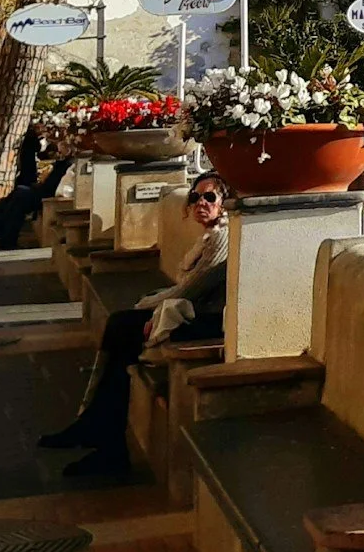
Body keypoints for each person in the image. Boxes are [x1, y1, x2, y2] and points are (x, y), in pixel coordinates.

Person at [39, 175, 231, 479]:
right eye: (195, 198)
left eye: (210, 198)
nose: (200, 205)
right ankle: (97, 429)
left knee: (123, 326)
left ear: (226, 203)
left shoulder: (223, 239)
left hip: (206, 323)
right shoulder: (209, 238)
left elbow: (188, 291)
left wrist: (147, 305)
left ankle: (102, 437)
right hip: (191, 314)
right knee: (121, 329)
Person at [0, 125, 54, 249]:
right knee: (16, 197)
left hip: (42, 191)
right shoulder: (31, 139)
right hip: (35, 183)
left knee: (19, 197)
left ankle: (7, 237)